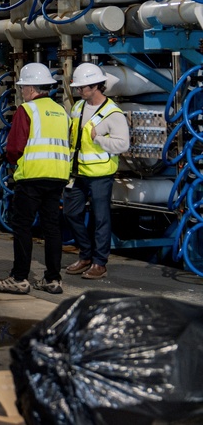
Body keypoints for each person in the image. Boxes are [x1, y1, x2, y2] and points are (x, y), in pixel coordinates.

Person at [0, 63, 70, 295]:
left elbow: (15, 148)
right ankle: (53, 279)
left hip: (32, 176)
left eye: (23, 87)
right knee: (52, 227)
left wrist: (11, 161)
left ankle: (19, 277)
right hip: (57, 176)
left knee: (22, 226)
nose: (22, 91)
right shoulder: (61, 112)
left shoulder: (26, 110)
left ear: (32, 89)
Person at [64, 62, 130, 281]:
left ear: (96, 86)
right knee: (71, 212)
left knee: (101, 219)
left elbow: (123, 145)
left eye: (82, 87)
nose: (79, 91)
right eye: (78, 87)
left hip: (101, 174)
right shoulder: (77, 108)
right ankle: (85, 255)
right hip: (78, 173)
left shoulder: (113, 113)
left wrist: (99, 139)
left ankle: (99, 263)